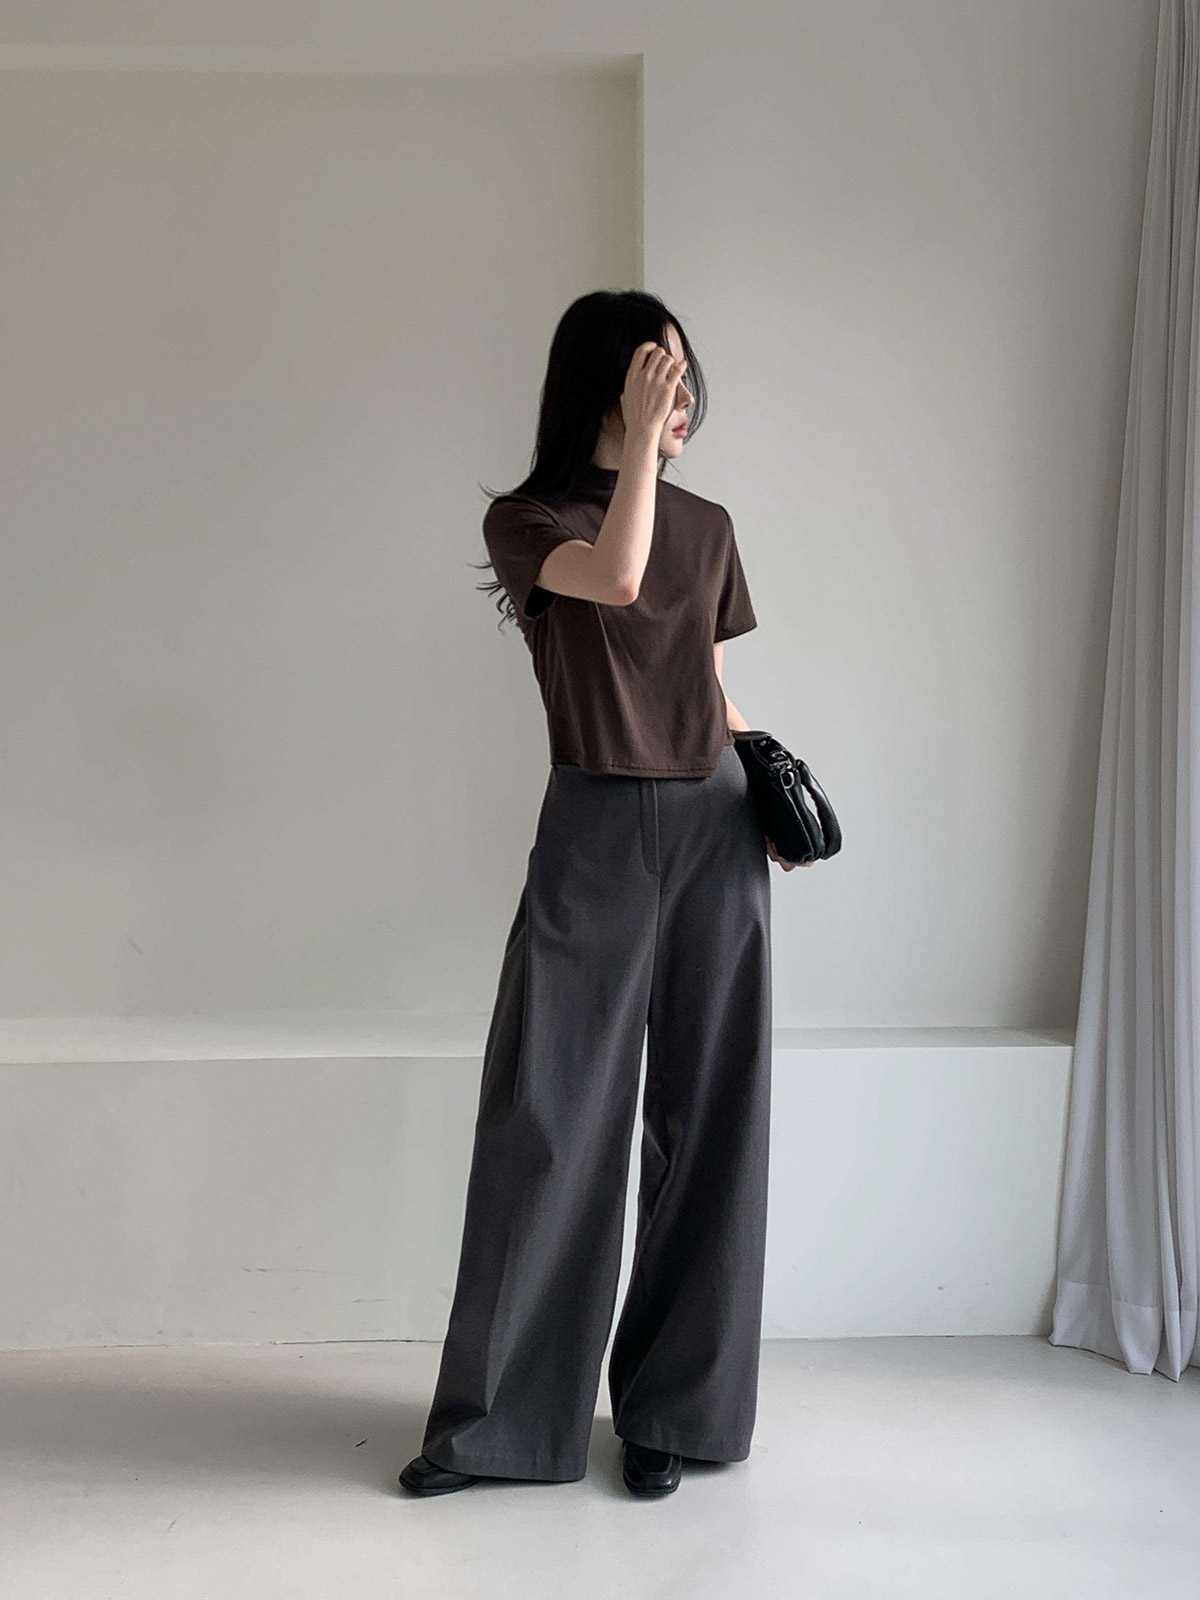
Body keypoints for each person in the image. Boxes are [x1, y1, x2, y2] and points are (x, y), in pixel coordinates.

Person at [399, 290, 801, 1502]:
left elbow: (709, 683)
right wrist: (635, 460)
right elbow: (619, 580)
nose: (683, 396)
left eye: (685, 376)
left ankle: (677, 1413)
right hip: (594, 826)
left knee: (712, 1114)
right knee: (550, 1113)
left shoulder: (710, 525)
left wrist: (772, 787)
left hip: (715, 823)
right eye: (657, 375)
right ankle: (500, 1427)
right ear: (604, 384)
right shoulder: (532, 521)